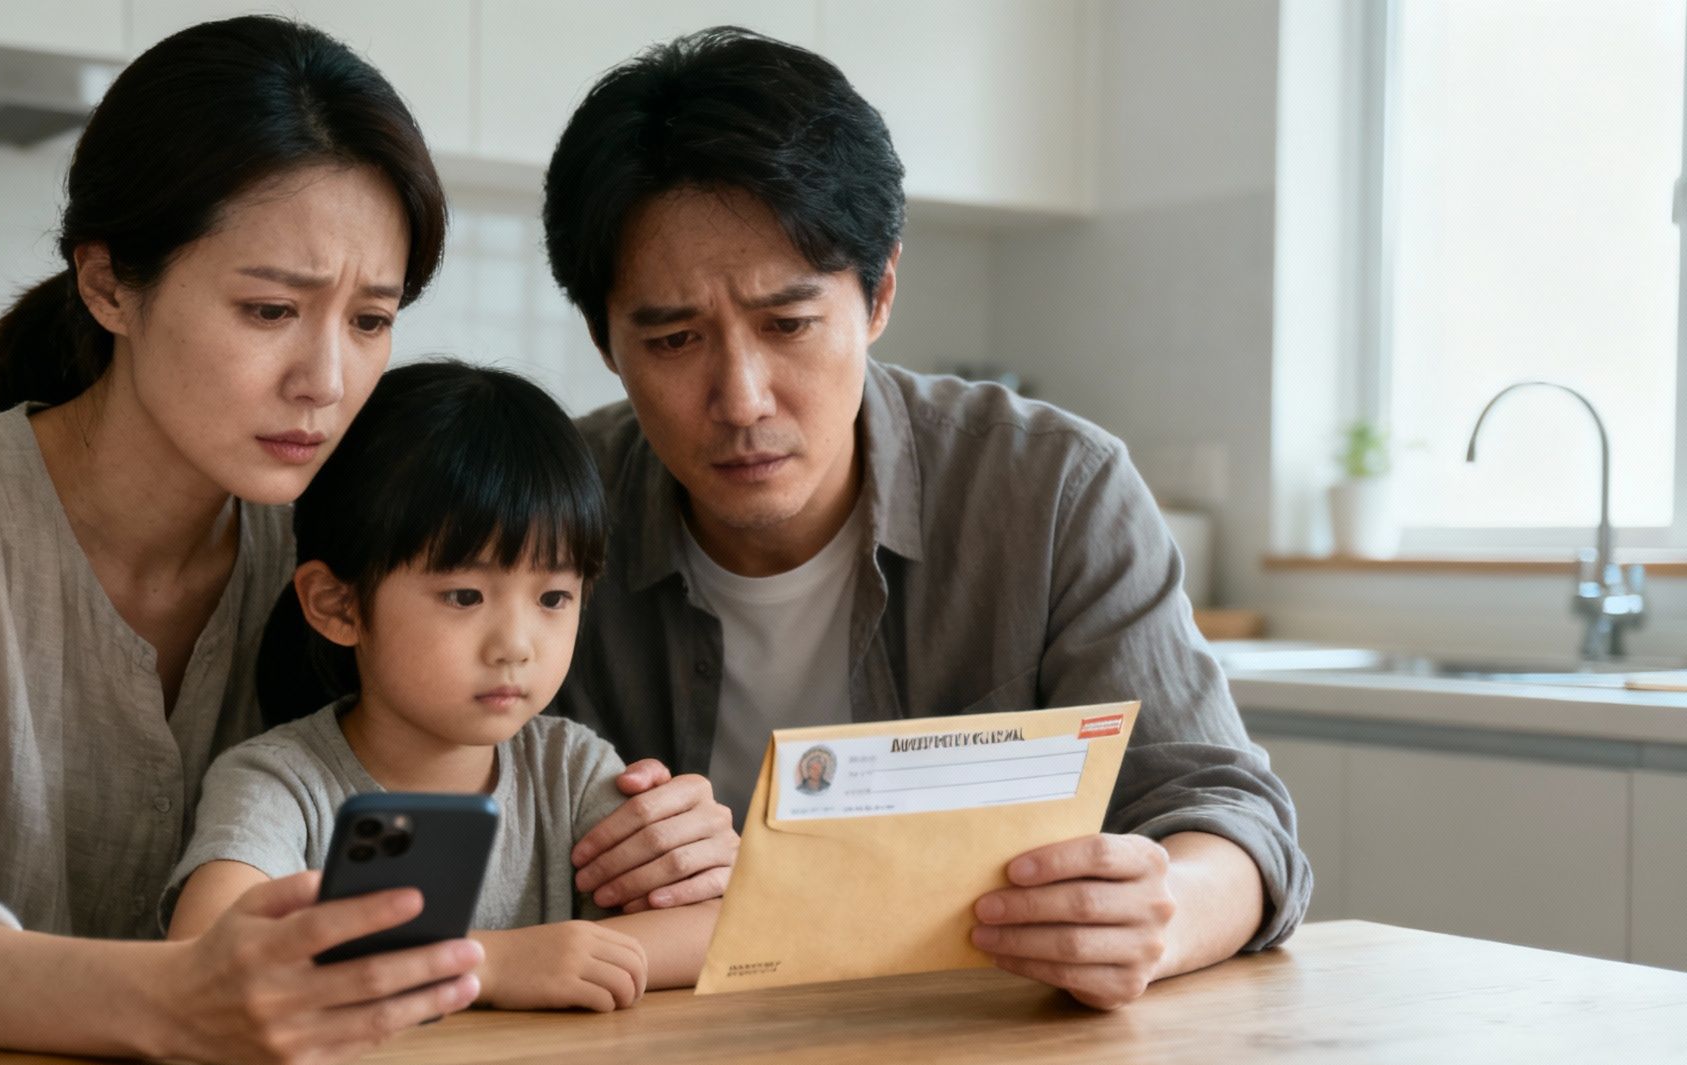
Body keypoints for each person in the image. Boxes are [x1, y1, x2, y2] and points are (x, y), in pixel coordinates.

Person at [0, 17, 733, 1065]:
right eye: (270, 308)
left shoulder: (333, 536)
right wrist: (185, 997)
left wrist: (670, 846)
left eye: (370, 321)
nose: (326, 381)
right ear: (108, 285)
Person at [543, 27, 1312, 1010]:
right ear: (607, 343)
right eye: (673, 338)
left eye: (787, 326)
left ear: (878, 295)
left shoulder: (1048, 490)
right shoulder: (545, 518)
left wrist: (1161, 915)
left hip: (969, 1051)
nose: (739, 399)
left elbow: (1223, 813)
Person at [169, 362, 717, 1011]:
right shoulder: (280, 783)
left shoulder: (569, 768)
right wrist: (488, 963)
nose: (516, 645)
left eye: (552, 596)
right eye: (464, 595)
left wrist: (576, 957)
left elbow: (717, 927)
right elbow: (204, 955)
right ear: (338, 606)